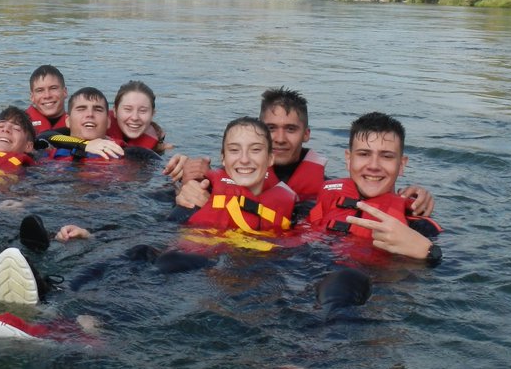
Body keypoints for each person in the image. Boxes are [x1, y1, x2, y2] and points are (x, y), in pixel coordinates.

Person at [171, 88, 435, 217]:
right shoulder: (225, 170)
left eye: (291, 129)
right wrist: (183, 184)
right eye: (271, 128)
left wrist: (412, 196)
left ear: (306, 134)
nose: (280, 139)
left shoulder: (324, 185)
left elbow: (370, 188)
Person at [306, 111, 442, 262]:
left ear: (401, 164)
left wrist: (427, 253)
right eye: (364, 154)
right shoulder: (325, 199)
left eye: (386, 156)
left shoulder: (418, 226)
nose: (374, 166)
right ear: (349, 159)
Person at [37, 87, 127, 159]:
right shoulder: (45, 148)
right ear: (68, 121)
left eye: (97, 109)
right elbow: (42, 137)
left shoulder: (124, 152)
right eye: (81, 109)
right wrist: (85, 145)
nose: (90, 114)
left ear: (108, 122)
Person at [106, 80, 169, 154]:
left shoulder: (160, 148)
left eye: (143, 111)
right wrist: (88, 145)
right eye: (128, 109)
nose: (135, 117)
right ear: (115, 111)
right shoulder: (94, 135)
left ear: (152, 114)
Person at [26, 64, 68, 134]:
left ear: (65, 92)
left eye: (53, 88)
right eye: (40, 90)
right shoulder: (18, 125)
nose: (47, 95)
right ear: (32, 97)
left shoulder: (78, 124)